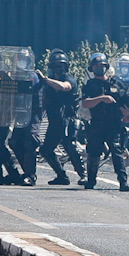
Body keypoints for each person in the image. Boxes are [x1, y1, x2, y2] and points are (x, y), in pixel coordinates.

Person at [80, 53, 129, 192]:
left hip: (114, 124)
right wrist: (101, 98)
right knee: (93, 153)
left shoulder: (116, 83)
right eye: (96, 66)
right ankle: (91, 180)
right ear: (92, 68)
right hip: (96, 124)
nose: (99, 68)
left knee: (117, 152)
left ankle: (123, 182)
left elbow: (124, 102)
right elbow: (85, 103)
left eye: (102, 65)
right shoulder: (90, 85)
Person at [38, 50, 87, 186]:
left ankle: (84, 175)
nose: (58, 68)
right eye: (55, 66)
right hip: (55, 121)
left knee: (70, 145)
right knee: (46, 150)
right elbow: (45, 99)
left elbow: (66, 87)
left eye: (61, 66)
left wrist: (46, 80)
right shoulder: (49, 83)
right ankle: (61, 176)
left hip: (68, 118)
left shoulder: (68, 78)